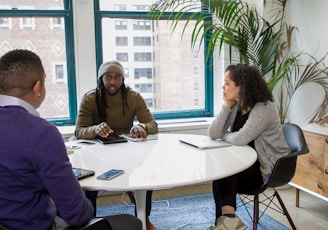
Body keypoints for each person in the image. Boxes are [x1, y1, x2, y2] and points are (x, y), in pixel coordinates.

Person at [0, 49, 142, 230]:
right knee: (132, 223)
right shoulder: (41, 133)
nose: (112, 82)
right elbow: (78, 214)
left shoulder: (133, 97)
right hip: (35, 225)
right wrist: (75, 195)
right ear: (37, 87)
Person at [75, 60, 158, 230]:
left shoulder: (133, 97)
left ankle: (144, 218)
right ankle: (91, 222)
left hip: (126, 150)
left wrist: (140, 126)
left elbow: (152, 125)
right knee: (90, 185)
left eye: (117, 77)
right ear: (101, 79)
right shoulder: (90, 98)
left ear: (122, 79)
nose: (112, 82)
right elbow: (79, 131)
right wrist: (96, 129)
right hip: (97, 153)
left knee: (145, 181)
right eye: (108, 77)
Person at [206, 64, 290, 230]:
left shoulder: (263, 108)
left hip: (267, 170)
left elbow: (240, 138)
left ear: (241, 87)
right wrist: (226, 106)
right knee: (222, 168)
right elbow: (213, 132)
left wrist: (225, 135)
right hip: (246, 166)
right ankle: (226, 221)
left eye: (227, 83)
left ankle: (228, 221)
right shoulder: (235, 105)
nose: (223, 87)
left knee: (227, 167)